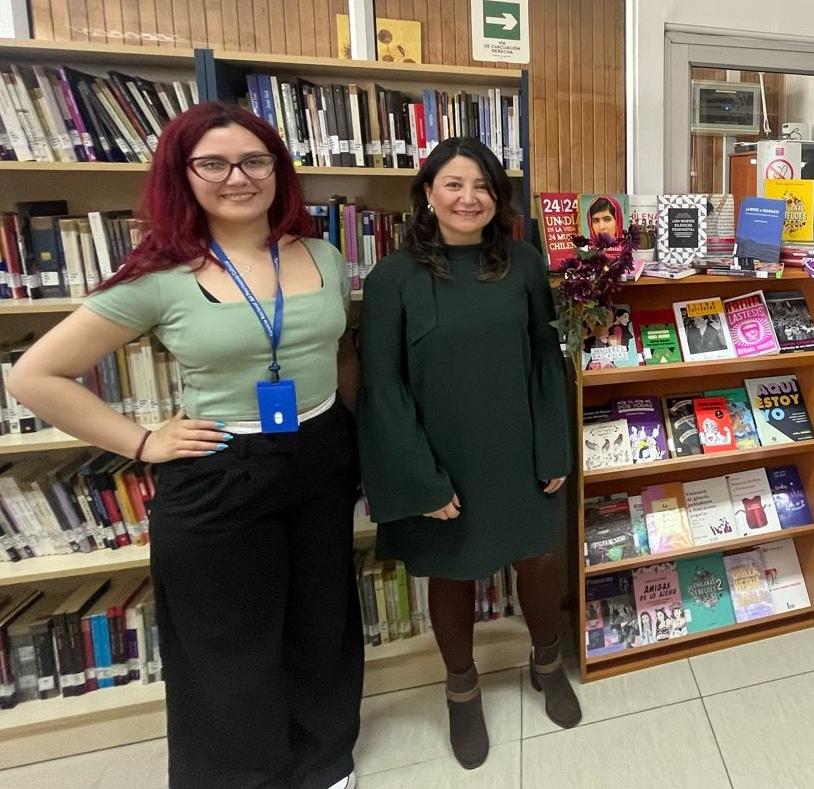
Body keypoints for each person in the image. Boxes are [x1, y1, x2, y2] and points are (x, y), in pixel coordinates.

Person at [8, 103, 363, 788]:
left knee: (322, 619)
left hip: (319, 453)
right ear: (184, 173)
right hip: (221, 467)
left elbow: (339, 351)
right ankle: (246, 776)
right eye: (214, 163)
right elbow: (33, 376)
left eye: (254, 160)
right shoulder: (161, 275)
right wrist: (141, 439)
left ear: (277, 170)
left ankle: (323, 762)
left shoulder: (319, 252)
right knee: (228, 643)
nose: (238, 177)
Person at [356, 137, 580, 771]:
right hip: (439, 456)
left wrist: (553, 446)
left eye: (481, 186)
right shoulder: (391, 279)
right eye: (454, 184)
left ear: (496, 198)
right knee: (452, 572)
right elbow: (382, 385)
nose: (468, 197)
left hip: (519, 445)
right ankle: (461, 688)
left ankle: (546, 662)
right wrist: (420, 480)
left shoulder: (525, 263)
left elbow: (544, 358)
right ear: (427, 193)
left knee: (538, 560)